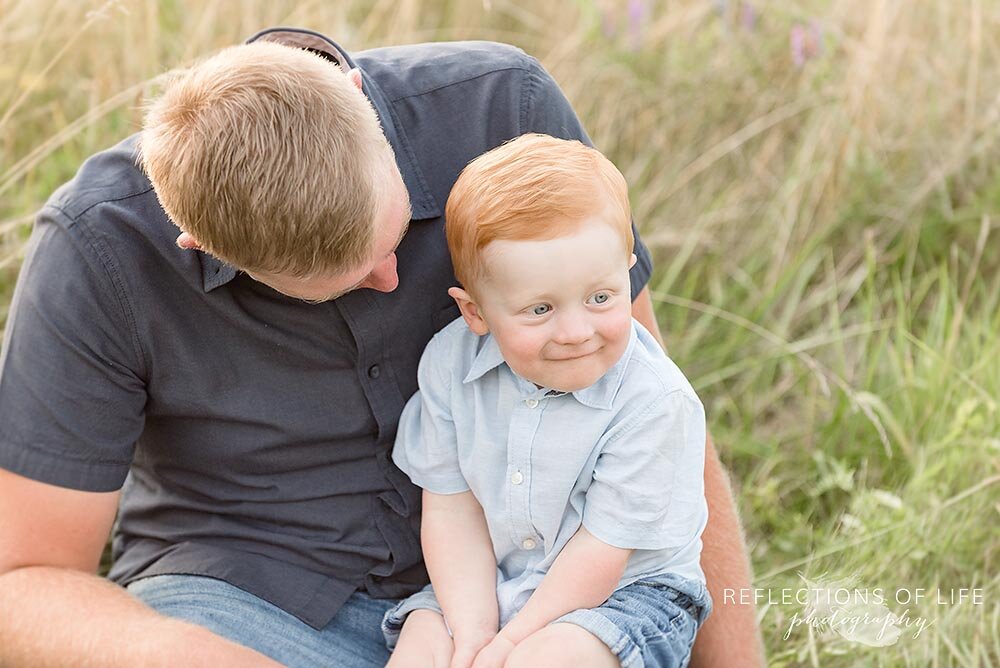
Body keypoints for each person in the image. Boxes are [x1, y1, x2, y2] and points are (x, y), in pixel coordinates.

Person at [0, 28, 763, 667]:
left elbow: (650, 415)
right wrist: (185, 655)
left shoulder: (502, 112)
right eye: (340, 279)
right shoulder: (99, 248)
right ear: (197, 242)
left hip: (542, 579)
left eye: (393, 237)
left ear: (360, 99)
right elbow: (23, 576)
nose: (393, 276)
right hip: (250, 599)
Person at [381, 133, 710, 668]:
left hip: (626, 592)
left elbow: (602, 552)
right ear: (476, 312)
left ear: (627, 269)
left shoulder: (653, 402)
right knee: (424, 648)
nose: (577, 331)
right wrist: (473, 634)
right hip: (492, 580)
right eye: (540, 310)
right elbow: (450, 508)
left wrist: (509, 646)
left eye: (600, 298)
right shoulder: (450, 364)